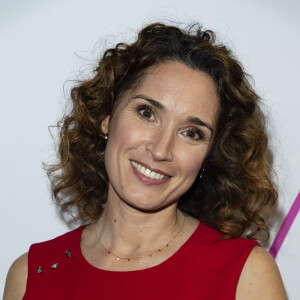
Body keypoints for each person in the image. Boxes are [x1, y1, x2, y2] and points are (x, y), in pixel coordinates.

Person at [4, 22, 287, 299]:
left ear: (210, 156)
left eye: (192, 133)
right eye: (147, 113)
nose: (161, 149)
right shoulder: (30, 275)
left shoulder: (246, 277)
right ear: (106, 116)